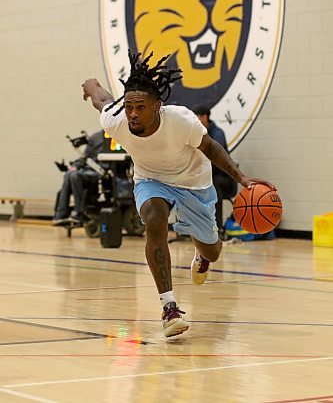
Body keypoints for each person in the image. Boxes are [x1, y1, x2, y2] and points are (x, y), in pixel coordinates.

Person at [82, 51, 274, 338]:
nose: (133, 113)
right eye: (130, 106)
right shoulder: (117, 120)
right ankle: (168, 307)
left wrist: (242, 178)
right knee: (154, 219)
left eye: (140, 107)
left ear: (157, 106)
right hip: (151, 181)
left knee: (213, 250)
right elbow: (103, 100)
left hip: (194, 183)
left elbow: (212, 149)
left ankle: (202, 255)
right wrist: (91, 85)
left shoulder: (181, 120)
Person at [192, 104, 236, 236]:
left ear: (204, 117)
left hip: (225, 180)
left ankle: (218, 228)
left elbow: (214, 156)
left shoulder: (218, 134)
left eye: (197, 118)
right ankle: (192, 227)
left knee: (213, 184)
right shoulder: (197, 133)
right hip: (206, 177)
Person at [53, 130, 105, 226]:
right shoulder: (96, 137)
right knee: (69, 173)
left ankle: (79, 212)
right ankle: (61, 214)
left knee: (74, 175)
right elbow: (84, 157)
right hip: (87, 170)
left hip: (101, 171)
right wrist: (75, 166)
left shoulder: (117, 138)